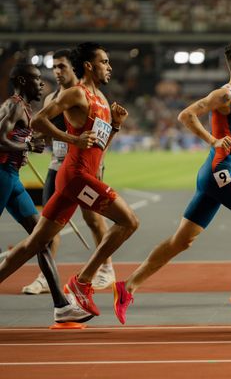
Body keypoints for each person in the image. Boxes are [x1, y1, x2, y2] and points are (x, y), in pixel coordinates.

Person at [112, 42, 231, 324]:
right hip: (218, 174)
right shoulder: (224, 95)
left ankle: (126, 287)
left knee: (181, 241)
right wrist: (212, 140)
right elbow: (185, 115)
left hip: (213, 176)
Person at [0, 42, 138, 318]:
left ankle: (76, 290)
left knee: (34, 244)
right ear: (88, 65)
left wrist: (116, 127)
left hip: (80, 177)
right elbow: (39, 120)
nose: (109, 67)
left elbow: (99, 147)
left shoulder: (101, 99)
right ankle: (82, 281)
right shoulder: (77, 93)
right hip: (76, 177)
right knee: (129, 221)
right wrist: (72, 138)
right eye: (104, 61)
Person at [0, 62, 91, 323]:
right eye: (35, 79)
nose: (42, 83)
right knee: (42, 239)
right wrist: (25, 144)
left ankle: (61, 305)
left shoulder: (25, 108)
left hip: (12, 178)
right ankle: (61, 303)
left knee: (42, 239)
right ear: (20, 81)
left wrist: (24, 148)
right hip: (2, 176)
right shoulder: (14, 104)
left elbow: (12, 140)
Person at [22, 49, 114, 295]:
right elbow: (42, 129)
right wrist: (33, 142)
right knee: (48, 224)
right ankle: (45, 276)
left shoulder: (90, 96)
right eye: (54, 67)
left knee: (93, 219)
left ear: (76, 68)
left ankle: (106, 269)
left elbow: (101, 138)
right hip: (57, 166)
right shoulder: (52, 97)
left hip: (85, 169)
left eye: (62, 67)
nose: (57, 72)